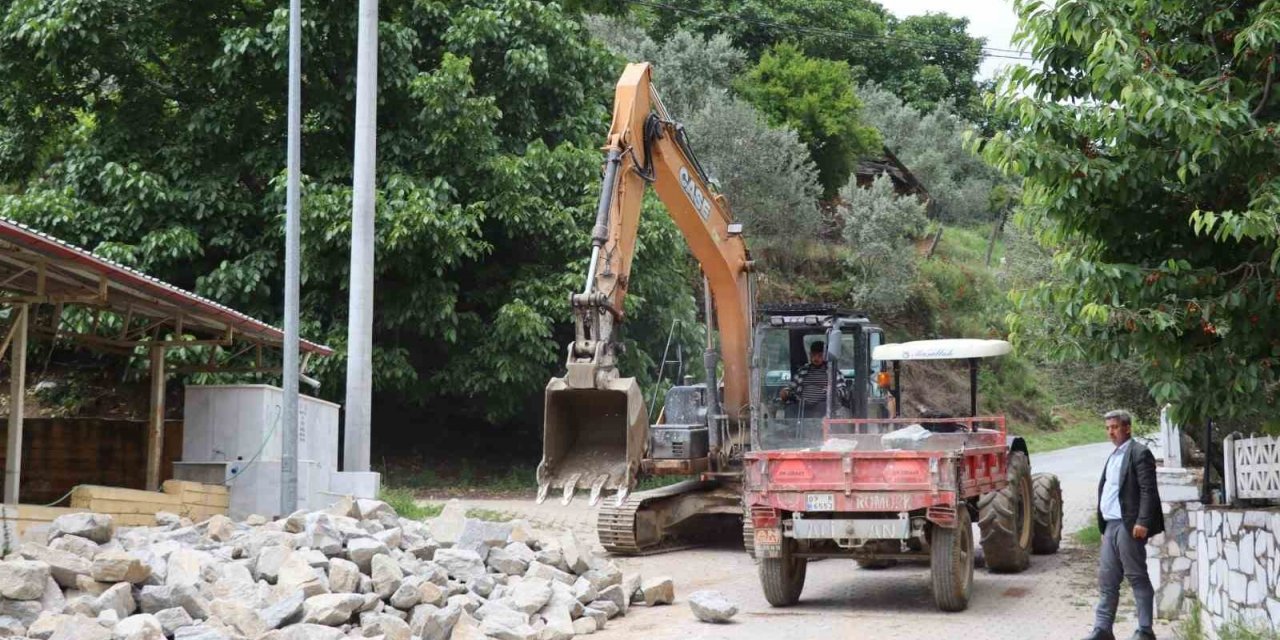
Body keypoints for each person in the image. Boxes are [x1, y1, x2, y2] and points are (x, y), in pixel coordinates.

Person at [1083, 409, 1164, 640]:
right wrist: (1104, 528)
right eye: (1108, 428)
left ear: (1127, 428)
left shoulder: (1140, 453)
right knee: (1107, 579)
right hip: (1110, 526)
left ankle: (1145, 631)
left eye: (1115, 427)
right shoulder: (1114, 456)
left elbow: (1148, 490)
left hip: (1130, 526)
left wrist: (1143, 521)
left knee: (1137, 576)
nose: (1111, 432)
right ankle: (1103, 629)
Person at [779, 340, 846, 418]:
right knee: (790, 409)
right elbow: (792, 387)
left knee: (824, 407)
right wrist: (786, 392)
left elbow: (843, 391)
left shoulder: (833, 372)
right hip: (803, 406)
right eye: (813, 355)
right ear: (810, 355)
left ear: (825, 356)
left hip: (824, 407)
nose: (816, 358)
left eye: (819, 356)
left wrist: (832, 392)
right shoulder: (803, 371)